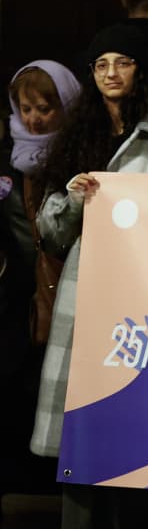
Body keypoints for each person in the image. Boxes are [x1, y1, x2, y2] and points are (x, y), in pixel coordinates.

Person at [33, 24, 148, 529]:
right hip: (88, 294)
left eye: (121, 62)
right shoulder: (79, 137)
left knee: (144, 412)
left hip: (143, 295)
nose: (110, 73)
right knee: (94, 418)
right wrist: (75, 200)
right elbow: (50, 230)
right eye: (101, 64)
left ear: (138, 70)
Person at [0, 62, 81, 502]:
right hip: (14, 293)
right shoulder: (8, 153)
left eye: (45, 109)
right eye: (25, 108)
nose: (33, 119)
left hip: (61, 285)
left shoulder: (75, 153)